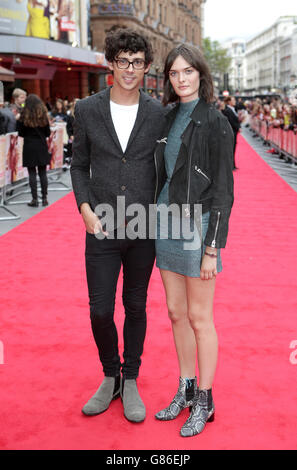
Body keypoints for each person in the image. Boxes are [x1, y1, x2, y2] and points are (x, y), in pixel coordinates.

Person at [70, 29, 166, 423]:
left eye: (137, 62)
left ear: (145, 67)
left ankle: (131, 378)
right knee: (99, 311)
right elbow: (78, 165)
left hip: (143, 227)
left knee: (136, 306)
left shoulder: (159, 112)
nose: (130, 69)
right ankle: (110, 374)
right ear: (110, 63)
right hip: (102, 226)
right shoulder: (87, 109)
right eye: (123, 60)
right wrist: (86, 211)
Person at [154, 44, 234, 437]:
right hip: (165, 223)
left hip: (198, 225)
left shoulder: (216, 122)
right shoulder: (167, 116)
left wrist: (211, 249)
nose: (182, 79)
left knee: (201, 318)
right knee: (174, 312)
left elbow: (223, 190)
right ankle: (186, 387)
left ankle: (206, 397)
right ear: (167, 78)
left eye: (188, 71)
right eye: (174, 73)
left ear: (201, 74)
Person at [17, 94, 51, 207]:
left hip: (29, 147)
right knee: (42, 173)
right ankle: (45, 198)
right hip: (41, 146)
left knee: (31, 173)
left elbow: (20, 133)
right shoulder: (43, 116)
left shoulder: (23, 116)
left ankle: (34, 199)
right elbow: (48, 133)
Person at [222, 95, 241, 169]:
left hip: (234, 131)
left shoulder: (232, 109)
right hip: (231, 131)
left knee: (233, 148)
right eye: (233, 100)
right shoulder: (228, 110)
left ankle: (232, 164)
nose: (235, 101)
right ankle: (230, 165)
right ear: (229, 102)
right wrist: (238, 127)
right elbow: (231, 121)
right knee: (231, 148)